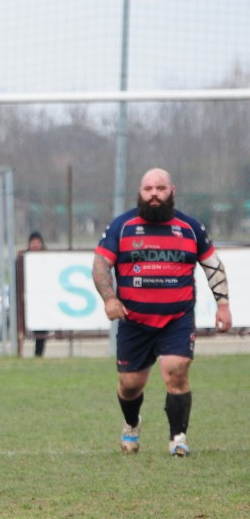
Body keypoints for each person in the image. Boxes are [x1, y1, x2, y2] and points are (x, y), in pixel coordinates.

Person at [93, 167, 232, 457]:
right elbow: (100, 264)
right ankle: (132, 423)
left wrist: (223, 304)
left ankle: (178, 437)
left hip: (177, 319)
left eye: (160, 188)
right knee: (130, 385)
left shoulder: (190, 227)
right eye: (148, 189)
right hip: (134, 321)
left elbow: (213, 266)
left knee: (176, 371)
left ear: (172, 192)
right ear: (140, 193)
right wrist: (109, 298)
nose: (154, 194)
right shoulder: (122, 226)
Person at [17, 231, 50, 358]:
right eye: (33, 242)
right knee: (21, 326)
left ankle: (38, 354)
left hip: (43, 299)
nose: (35, 245)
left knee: (41, 329)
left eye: (38, 242)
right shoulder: (23, 258)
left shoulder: (48, 258)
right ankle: (18, 352)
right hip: (27, 299)